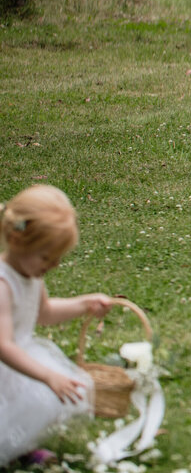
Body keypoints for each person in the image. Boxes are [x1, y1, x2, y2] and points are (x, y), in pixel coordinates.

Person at [1, 184, 114, 467]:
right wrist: (48, 376)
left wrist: (85, 303)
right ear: (16, 240)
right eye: (46, 257)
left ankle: (20, 446)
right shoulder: (3, 285)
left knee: (26, 405)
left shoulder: (31, 275)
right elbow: (3, 345)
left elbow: (46, 313)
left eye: (57, 259)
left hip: (21, 355)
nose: (53, 266)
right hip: (8, 357)